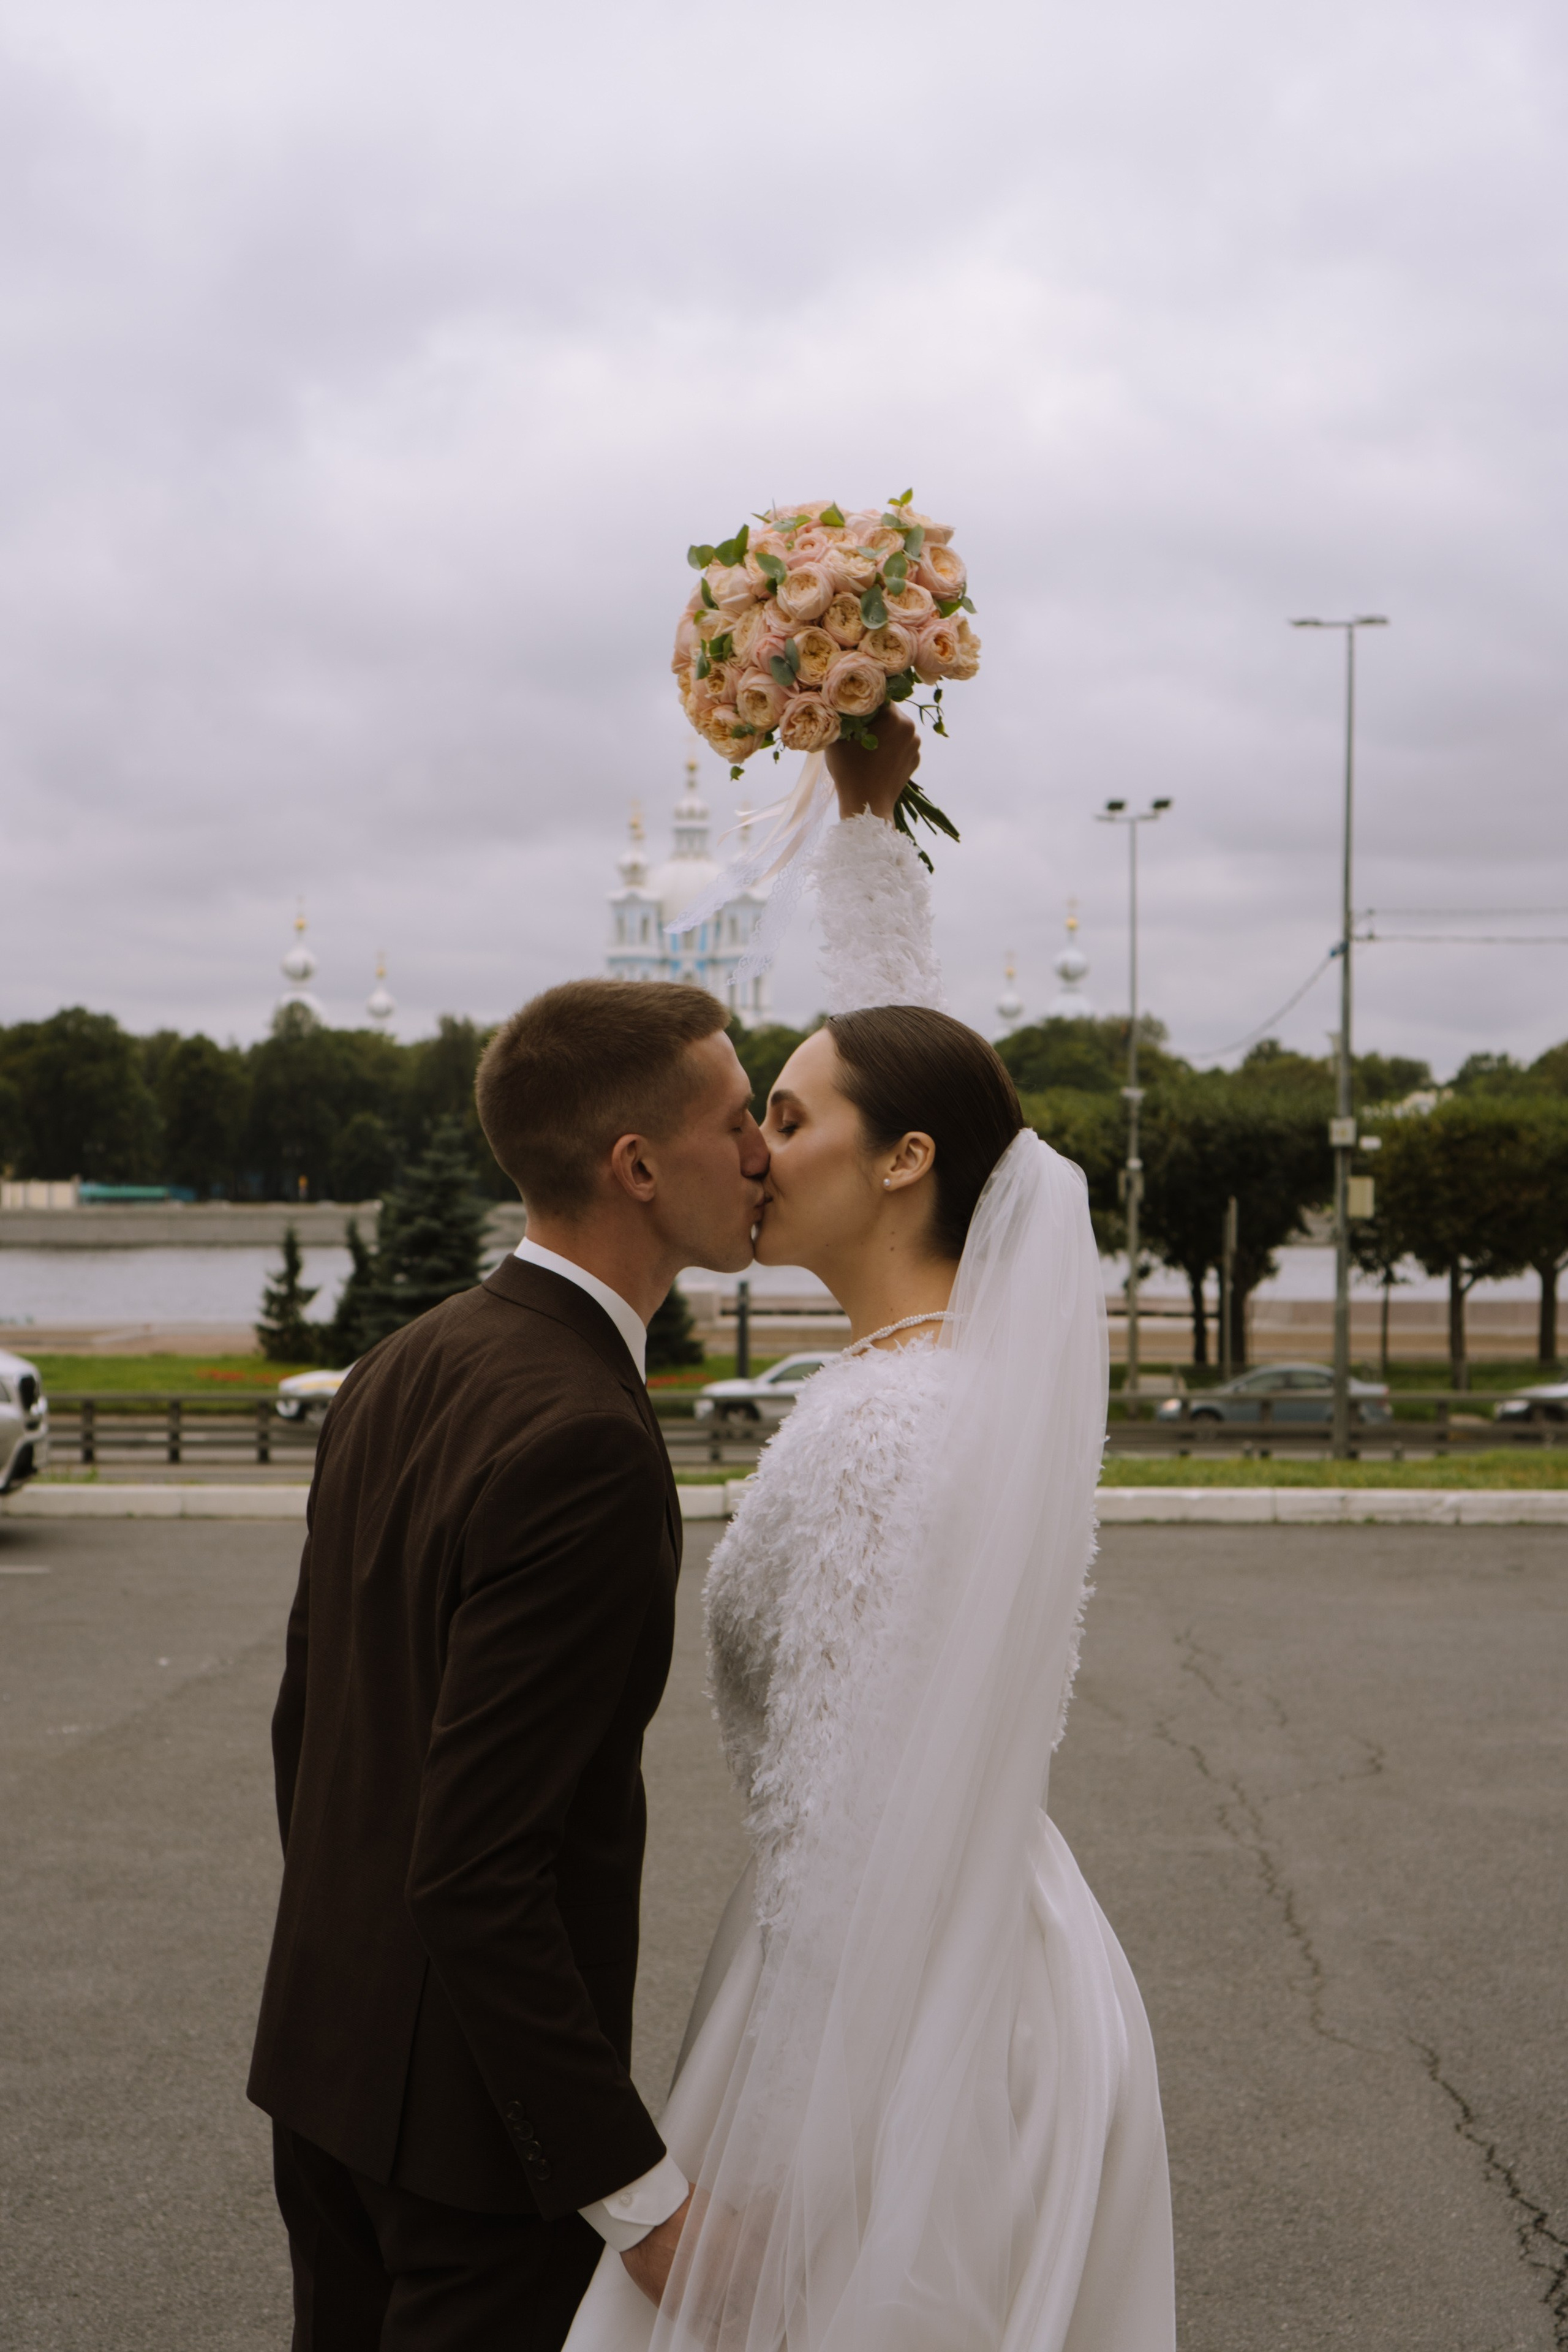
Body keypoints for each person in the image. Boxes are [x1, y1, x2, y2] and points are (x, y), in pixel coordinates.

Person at [567, 708, 1177, 2352]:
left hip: (892, 2019)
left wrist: (785, 2162)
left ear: (908, 1166)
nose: (752, 1145)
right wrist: (867, 827)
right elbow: (908, 1058)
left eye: (784, 1113)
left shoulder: (891, 1428)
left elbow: (849, 1821)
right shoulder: (943, 1379)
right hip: (996, 1967)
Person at [247, 979, 767, 2349]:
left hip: (327, 2074)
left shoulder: (400, 1365)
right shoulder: (583, 1442)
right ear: (637, 1166)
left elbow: (311, 1736)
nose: (763, 1151)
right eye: (734, 1122)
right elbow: (479, 1870)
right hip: (475, 2155)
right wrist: (640, 2201)